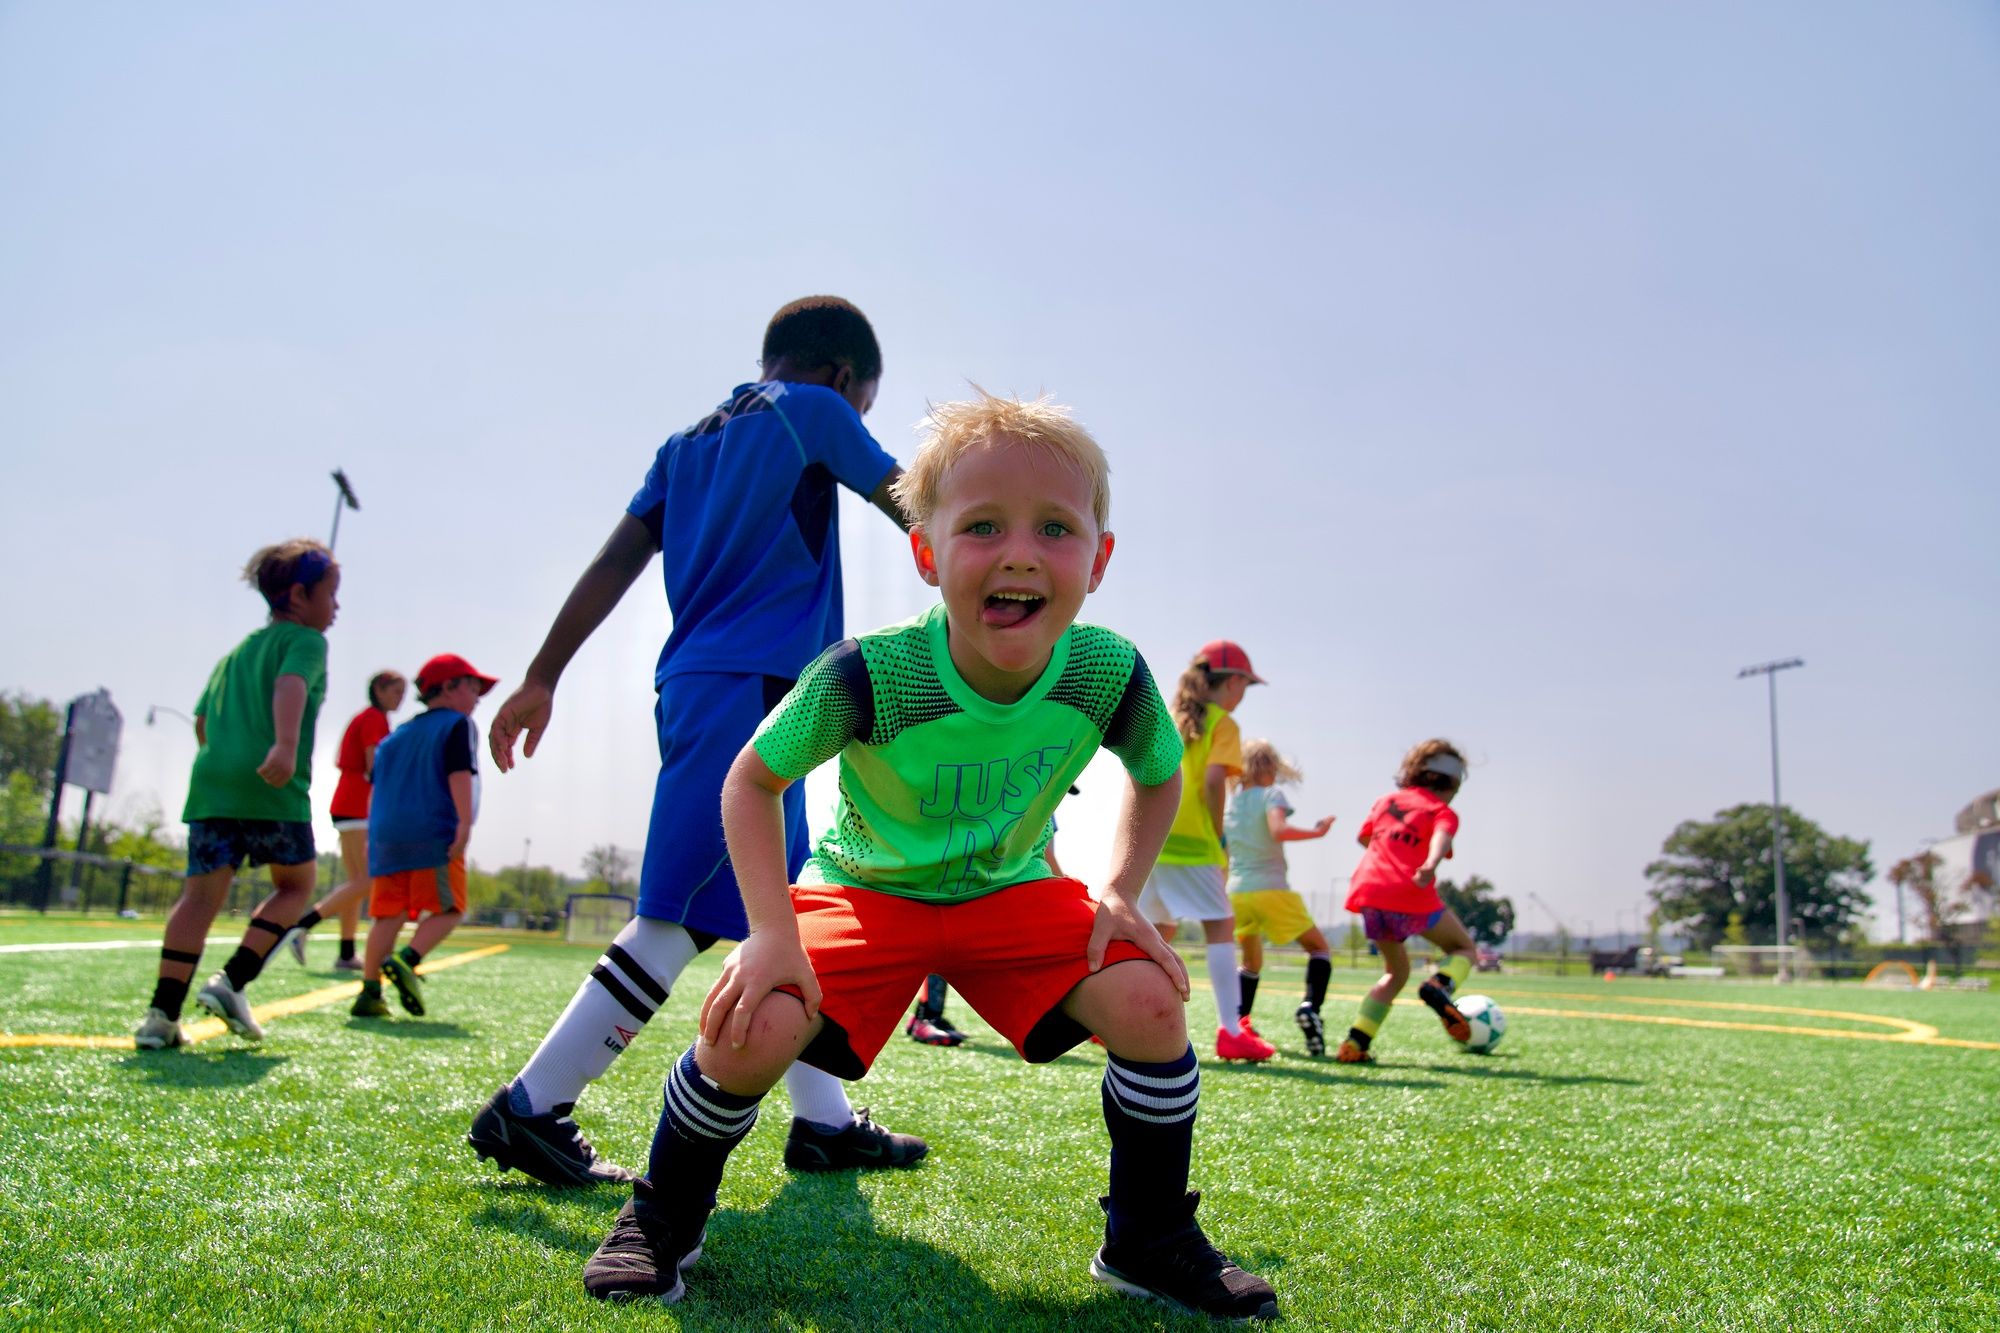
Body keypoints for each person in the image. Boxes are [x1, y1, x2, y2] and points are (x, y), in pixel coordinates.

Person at [581, 391, 1278, 1321]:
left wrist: (1117, 889)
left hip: (1015, 892)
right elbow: (749, 782)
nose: (1021, 550)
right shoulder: (872, 671)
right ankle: (661, 1215)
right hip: (865, 889)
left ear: (1099, 560)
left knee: (1151, 1002)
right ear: (926, 551)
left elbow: (1157, 775)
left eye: (1055, 528)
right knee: (755, 1020)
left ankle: (1146, 1237)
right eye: (983, 525)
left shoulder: (1106, 671)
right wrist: (769, 933)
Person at [468, 296, 925, 1185]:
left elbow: (614, 560)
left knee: (786, 917)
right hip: (750, 691)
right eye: (865, 403)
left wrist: (542, 673)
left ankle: (824, 1121)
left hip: (708, 683)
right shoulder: (813, 411)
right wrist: (998, 556)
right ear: (843, 378)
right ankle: (531, 1106)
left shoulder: (686, 442)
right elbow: (909, 501)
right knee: (674, 918)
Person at [135, 539, 339, 1048]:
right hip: (272, 783)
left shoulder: (235, 654)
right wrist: (285, 746)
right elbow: (290, 687)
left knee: (198, 899)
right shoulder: (307, 642)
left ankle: (160, 1017)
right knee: (295, 886)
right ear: (298, 595)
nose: (336, 607)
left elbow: (202, 722)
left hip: (212, 787)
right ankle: (232, 981)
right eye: (331, 595)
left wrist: (225, 763)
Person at [1139, 641, 1276, 1062]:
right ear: (1232, 682)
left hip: (1153, 838)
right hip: (1194, 843)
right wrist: (1217, 838)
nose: (1243, 696)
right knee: (1221, 927)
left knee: (1153, 933)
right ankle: (1232, 1031)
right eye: (1245, 687)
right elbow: (1215, 781)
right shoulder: (1223, 724)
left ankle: (1107, 1022)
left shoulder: (1174, 720)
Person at [351, 654, 492, 1018]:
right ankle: (406, 959)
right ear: (447, 688)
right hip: (432, 834)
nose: (477, 698)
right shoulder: (457, 725)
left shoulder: (395, 736)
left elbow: (377, 786)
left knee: (388, 915)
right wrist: (464, 824)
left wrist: (373, 836)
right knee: (450, 909)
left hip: (386, 836)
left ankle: (369, 993)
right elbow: (459, 774)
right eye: (472, 688)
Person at [1334, 739, 1476, 1063]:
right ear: (1453, 784)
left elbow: (1363, 837)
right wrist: (1431, 862)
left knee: (1396, 973)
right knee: (1464, 949)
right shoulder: (1442, 811)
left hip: (1369, 892)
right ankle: (1440, 985)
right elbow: (1441, 837)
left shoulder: (1387, 801)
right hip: (1409, 890)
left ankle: (1355, 1043)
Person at [280, 670, 407, 970]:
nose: (400, 699)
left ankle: (347, 953)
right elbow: (374, 765)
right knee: (369, 879)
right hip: (358, 805)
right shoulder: (374, 718)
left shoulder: (372, 718)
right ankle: (303, 924)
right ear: (378, 689)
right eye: (395, 692)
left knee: (356, 882)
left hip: (350, 804)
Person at [1223, 740, 1337, 1054]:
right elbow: (1278, 830)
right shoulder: (1272, 795)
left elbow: (1224, 849)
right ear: (1268, 767)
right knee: (1319, 949)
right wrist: (1318, 832)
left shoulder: (1231, 803)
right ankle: (1310, 1008)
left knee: (1251, 961)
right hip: (1271, 888)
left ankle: (1239, 1025)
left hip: (1237, 892)